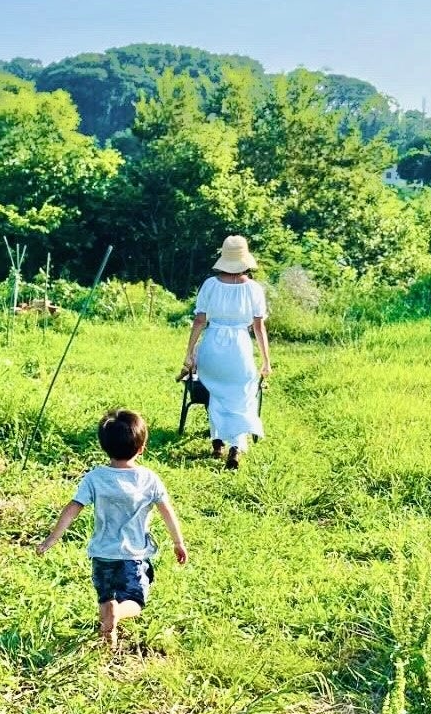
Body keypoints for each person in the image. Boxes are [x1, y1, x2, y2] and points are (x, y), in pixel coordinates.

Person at [36, 409, 188, 649]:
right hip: (133, 556)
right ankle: (118, 613)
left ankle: (109, 639)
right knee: (135, 600)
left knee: (105, 599)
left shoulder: (95, 477)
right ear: (141, 448)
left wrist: (52, 538)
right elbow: (166, 511)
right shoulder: (149, 479)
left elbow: (73, 507)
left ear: (103, 446)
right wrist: (178, 542)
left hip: (102, 554)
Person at [182, 235, 271, 470]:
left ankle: (217, 442)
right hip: (238, 349)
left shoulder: (210, 285)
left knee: (216, 390)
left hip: (212, 348)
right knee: (241, 392)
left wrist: (189, 353)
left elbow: (199, 321)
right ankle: (236, 446)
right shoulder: (253, 289)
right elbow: (259, 328)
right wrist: (266, 361)